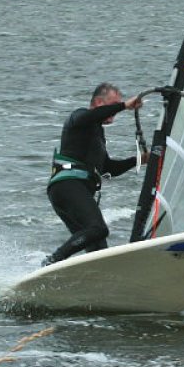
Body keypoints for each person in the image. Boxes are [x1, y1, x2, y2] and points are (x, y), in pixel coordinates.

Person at [45, 82, 145, 265]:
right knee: (98, 228)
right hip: (67, 185)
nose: (114, 111)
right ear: (99, 102)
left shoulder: (97, 133)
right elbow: (92, 116)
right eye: (112, 105)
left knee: (98, 249)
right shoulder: (80, 117)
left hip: (70, 189)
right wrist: (124, 106)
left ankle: (95, 280)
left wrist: (139, 160)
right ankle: (53, 260)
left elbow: (109, 169)